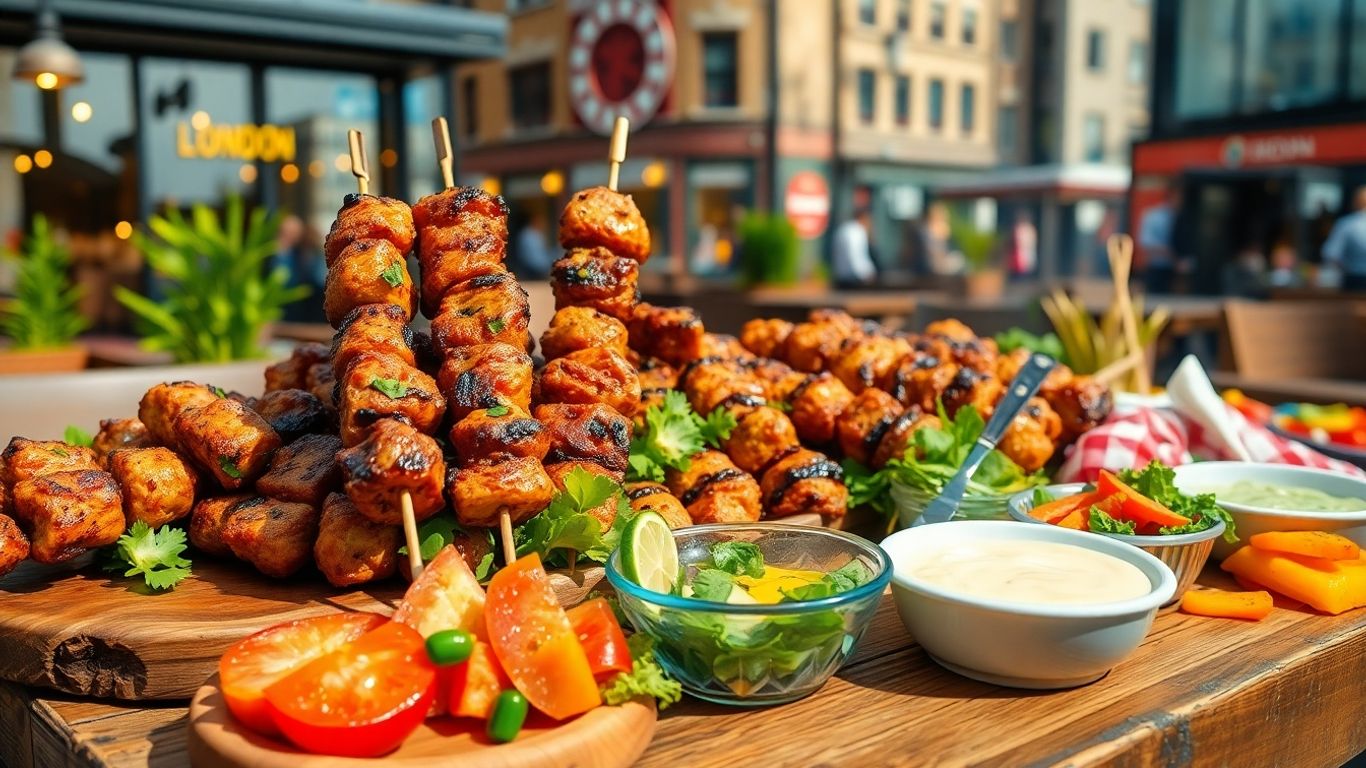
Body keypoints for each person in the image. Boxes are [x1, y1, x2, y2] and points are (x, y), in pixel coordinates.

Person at [1137, 180, 1186, 294]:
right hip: (1157, 270)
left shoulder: (1184, 217)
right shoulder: (1154, 216)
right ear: (1172, 195)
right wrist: (1174, 258)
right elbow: (1147, 244)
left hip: (1179, 274)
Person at [1321, 187, 1366, 293]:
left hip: (1354, 279)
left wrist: (1346, 267)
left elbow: (1330, 253)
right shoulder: (1347, 224)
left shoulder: (1347, 224)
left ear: (1355, 202)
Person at [831, 206, 877, 288]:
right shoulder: (858, 232)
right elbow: (856, 256)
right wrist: (867, 273)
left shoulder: (843, 229)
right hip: (854, 279)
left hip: (841, 276)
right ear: (864, 218)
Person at [512, 209, 555, 279]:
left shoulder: (538, 234)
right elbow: (534, 259)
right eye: (541, 221)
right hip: (531, 270)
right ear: (534, 221)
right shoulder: (528, 234)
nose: (544, 224)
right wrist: (547, 269)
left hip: (540, 267)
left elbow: (544, 255)